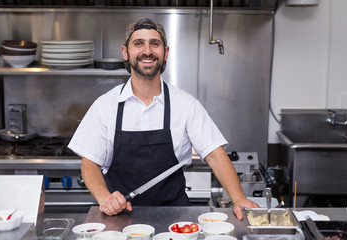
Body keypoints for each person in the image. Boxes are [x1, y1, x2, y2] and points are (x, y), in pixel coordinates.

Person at [68, 18, 259, 220]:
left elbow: (215, 154)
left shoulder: (186, 104)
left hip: (174, 216)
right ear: (125, 52)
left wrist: (239, 198)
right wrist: (104, 197)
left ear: (165, 53)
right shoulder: (105, 105)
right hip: (118, 217)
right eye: (139, 43)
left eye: (155, 44)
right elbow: (89, 163)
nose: (147, 51)